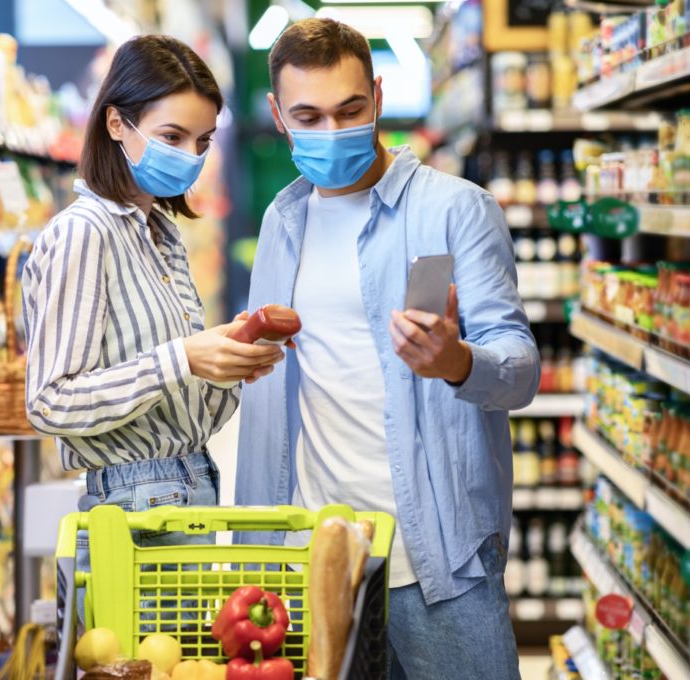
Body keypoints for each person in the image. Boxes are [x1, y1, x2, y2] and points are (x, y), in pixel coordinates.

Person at [235, 18, 539, 679]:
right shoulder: (281, 222)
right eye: (308, 116)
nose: (333, 130)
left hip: (435, 560)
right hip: (312, 560)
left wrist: (457, 362)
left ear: (376, 94)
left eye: (350, 109)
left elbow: (520, 369)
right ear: (277, 116)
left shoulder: (456, 209)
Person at [21, 35, 283, 588]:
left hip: (188, 487)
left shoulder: (160, 235)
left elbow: (181, 402)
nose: (190, 157)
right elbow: (49, 401)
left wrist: (224, 362)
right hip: (133, 507)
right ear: (116, 123)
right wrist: (181, 357)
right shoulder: (83, 235)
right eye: (172, 136)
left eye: (202, 141)